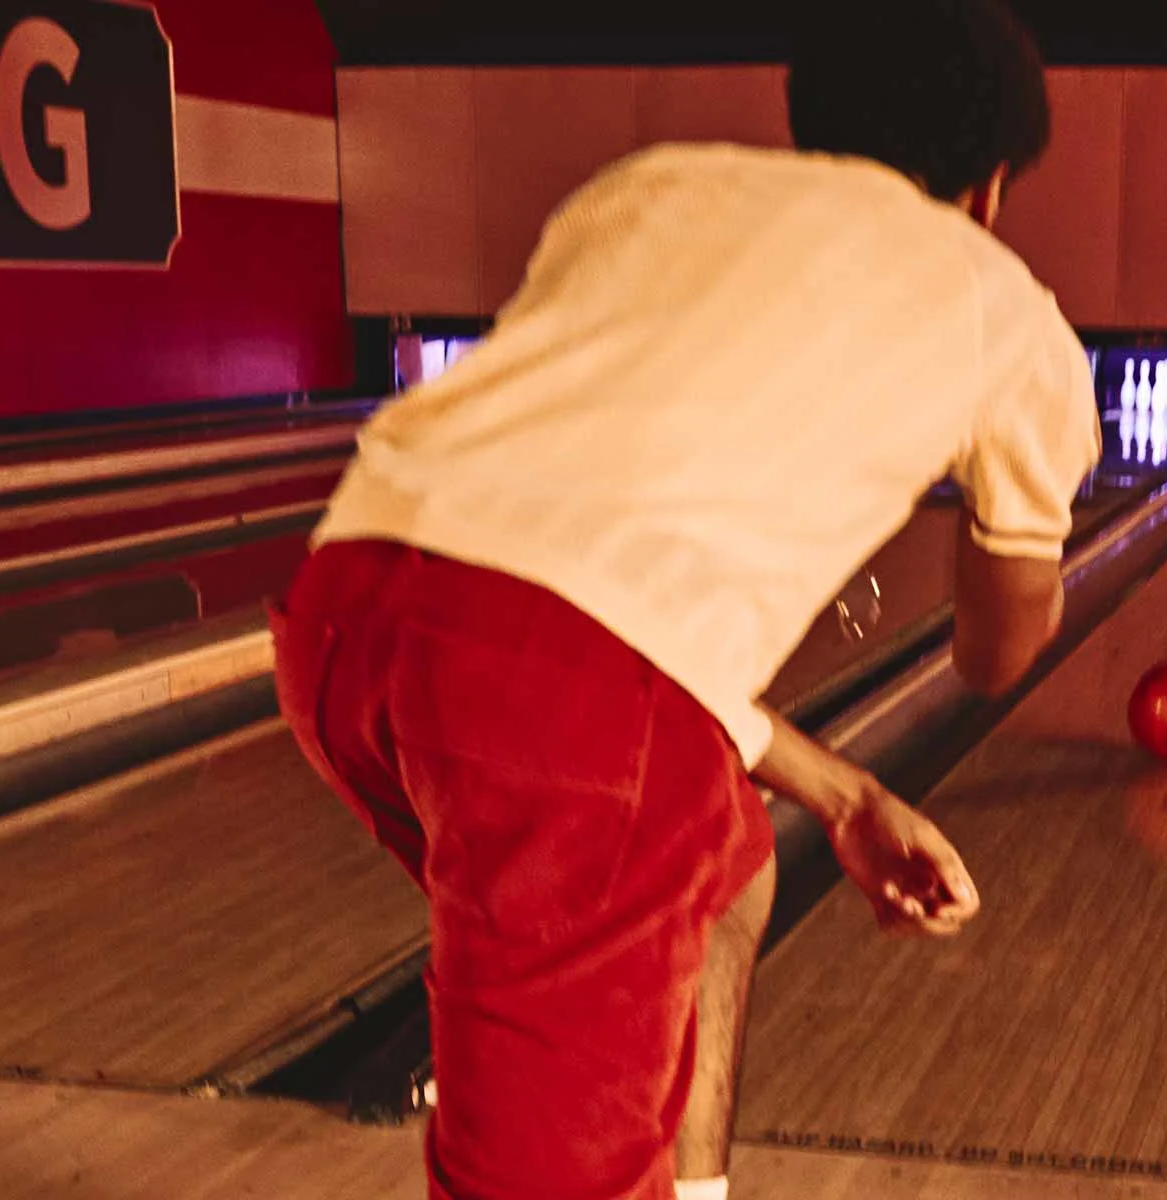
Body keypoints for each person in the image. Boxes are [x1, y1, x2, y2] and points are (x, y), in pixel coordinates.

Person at [269, 0, 1100, 1196]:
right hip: (557, 703)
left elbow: (578, 587)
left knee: (727, 870)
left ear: (812, 127)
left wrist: (846, 791)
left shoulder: (649, 187)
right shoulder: (1008, 311)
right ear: (990, 189)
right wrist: (1022, 535)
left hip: (343, 618)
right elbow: (994, 654)